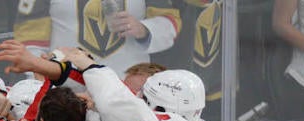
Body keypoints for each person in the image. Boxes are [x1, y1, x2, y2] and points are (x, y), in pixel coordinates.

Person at [11, 0, 181, 78]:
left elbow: (170, 22)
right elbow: (29, 39)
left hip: (129, 89)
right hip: (67, 93)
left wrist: (144, 29)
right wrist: (38, 73)